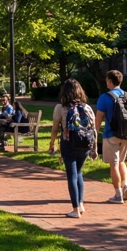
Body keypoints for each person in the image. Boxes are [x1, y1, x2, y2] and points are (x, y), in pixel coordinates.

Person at [49, 79, 96, 218]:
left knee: (72, 176)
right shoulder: (87, 108)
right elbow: (93, 129)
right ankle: (80, 204)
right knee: (79, 172)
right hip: (85, 145)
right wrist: (94, 148)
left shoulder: (60, 108)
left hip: (68, 144)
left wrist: (52, 143)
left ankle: (75, 210)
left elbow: (55, 129)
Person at [96, 70, 127, 204]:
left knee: (113, 164)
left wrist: (95, 133)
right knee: (121, 161)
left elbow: (98, 118)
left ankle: (118, 194)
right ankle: (125, 185)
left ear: (110, 81)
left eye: (106, 79)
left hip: (111, 134)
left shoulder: (105, 97)